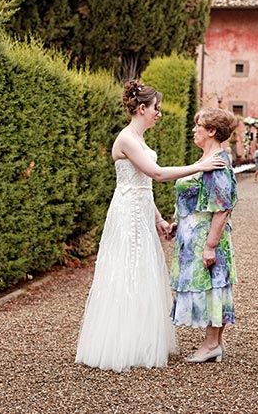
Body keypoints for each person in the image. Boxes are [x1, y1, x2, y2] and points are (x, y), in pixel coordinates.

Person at [75, 80, 226, 372]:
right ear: (142, 108)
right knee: (126, 270)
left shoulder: (139, 139)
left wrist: (158, 219)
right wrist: (199, 166)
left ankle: (141, 339)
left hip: (141, 212)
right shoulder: (127, 139)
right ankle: (121, 344)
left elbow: (142, 185)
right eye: (156, 108)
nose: (159, 113)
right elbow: (156, 174)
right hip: (126, 215)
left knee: (144, 271)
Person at [168, 107, 238, 363]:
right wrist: (179, 222)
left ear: (211, 131)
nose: (194, 130)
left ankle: (211, 345)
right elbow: (196, 197)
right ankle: (214, 344)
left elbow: (222, 208)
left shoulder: (217, 162)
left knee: (213, 285)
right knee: (212, 286)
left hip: (205, 237)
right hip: (193, 233)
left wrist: (210, 246)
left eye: (199, 126)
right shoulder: (207, 159)